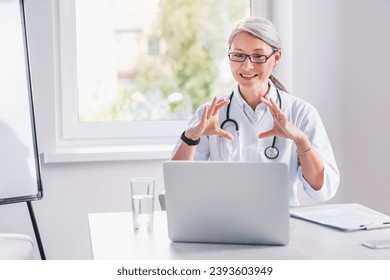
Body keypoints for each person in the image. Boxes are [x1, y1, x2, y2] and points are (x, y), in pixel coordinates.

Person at [171, 16, 339, 206]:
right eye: (238, 55)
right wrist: (191, 136)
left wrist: (300, 141)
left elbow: (324, 190)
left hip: (282, 225)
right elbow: (178, 186)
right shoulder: (210, 114)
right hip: (224, 224)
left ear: (276, 58)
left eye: (258, 56)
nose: (247, 65)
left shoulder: (301, 112)